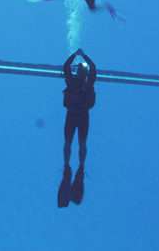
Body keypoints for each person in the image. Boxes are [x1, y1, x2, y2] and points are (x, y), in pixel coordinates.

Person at [57, 48, 96, 207]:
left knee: (69, 142)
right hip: (83, 115)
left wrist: (75, 55)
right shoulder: (89, 82)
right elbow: (93, 68)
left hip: (72, 115)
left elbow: (66, 66)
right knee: (81, 143)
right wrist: (83, 55)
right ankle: (80, 166)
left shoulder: (71, 81)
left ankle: (68, 166)